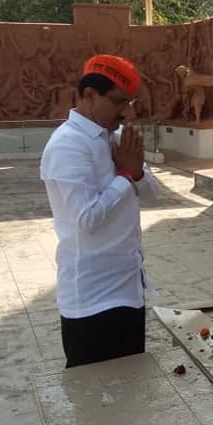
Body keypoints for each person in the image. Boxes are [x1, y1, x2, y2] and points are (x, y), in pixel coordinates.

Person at [40, 53, 160, 368]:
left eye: (130, 102)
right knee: (95, 405)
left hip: (129, 289)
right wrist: (125, 177)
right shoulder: (67, 145)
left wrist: (137, 173)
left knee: (132, 390)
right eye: (119, 103)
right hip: (91, 301)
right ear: (89, 95)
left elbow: (153, 193)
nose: (127, 112)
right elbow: (86, 219)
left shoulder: (117, 137)